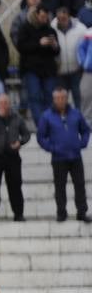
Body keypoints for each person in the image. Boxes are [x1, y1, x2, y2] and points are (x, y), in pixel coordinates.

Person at [36, 86, 91, 222]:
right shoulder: (47, 116)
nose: (61, 100)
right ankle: (61, 212)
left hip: (76, 156)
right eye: (58, 98)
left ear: (67, 99)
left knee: (80, 185)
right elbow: (41, 136)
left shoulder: (76, 113)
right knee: (60, 187)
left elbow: (85, 130)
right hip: (59, 158)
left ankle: (82, 212)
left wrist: (82, 143)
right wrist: (52, 148)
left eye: (63, 98)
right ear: (54, 99)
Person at [0, 94, 30, 222]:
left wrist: (20, 142)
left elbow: (26, 134)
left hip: (13, 157)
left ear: (10, 103)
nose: (3, 105)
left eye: (6, 102)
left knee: (15, 187)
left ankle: (19, 214)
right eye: (1, 103)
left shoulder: (17, 117)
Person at [16, 5, 58, 124]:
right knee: (34, 96)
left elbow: (56, 52)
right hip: (31, 69)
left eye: (46, 16)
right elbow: (21, 47)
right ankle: (40, 124)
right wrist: (39, 43)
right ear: (37, 15)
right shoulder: (25, 28)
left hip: (48, 69)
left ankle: (49, 122)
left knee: (49, 96)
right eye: (42, 16)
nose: (45, 19)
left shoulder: (50, 30)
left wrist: (54, 45)